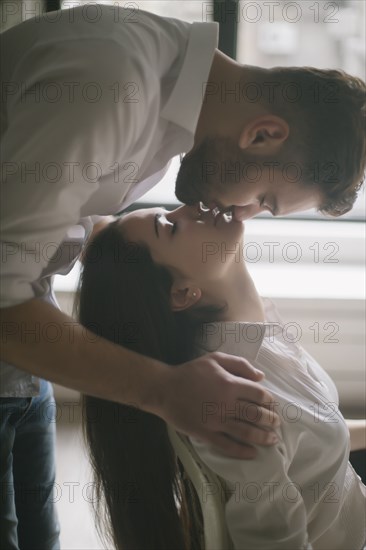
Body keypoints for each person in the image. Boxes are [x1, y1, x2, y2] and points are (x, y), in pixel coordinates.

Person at [0, 3, 365, 548]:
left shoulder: (165, 110)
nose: (244, 214)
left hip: (23, 357)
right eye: (265, 198)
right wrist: (164, 389)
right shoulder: (111, 89)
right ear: (263, 134)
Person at [78, 203, 366, 550]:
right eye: (169, 226)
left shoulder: (256, 335)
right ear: (182, 293)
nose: (189, 208)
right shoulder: (231, 399)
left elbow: (311, 443)